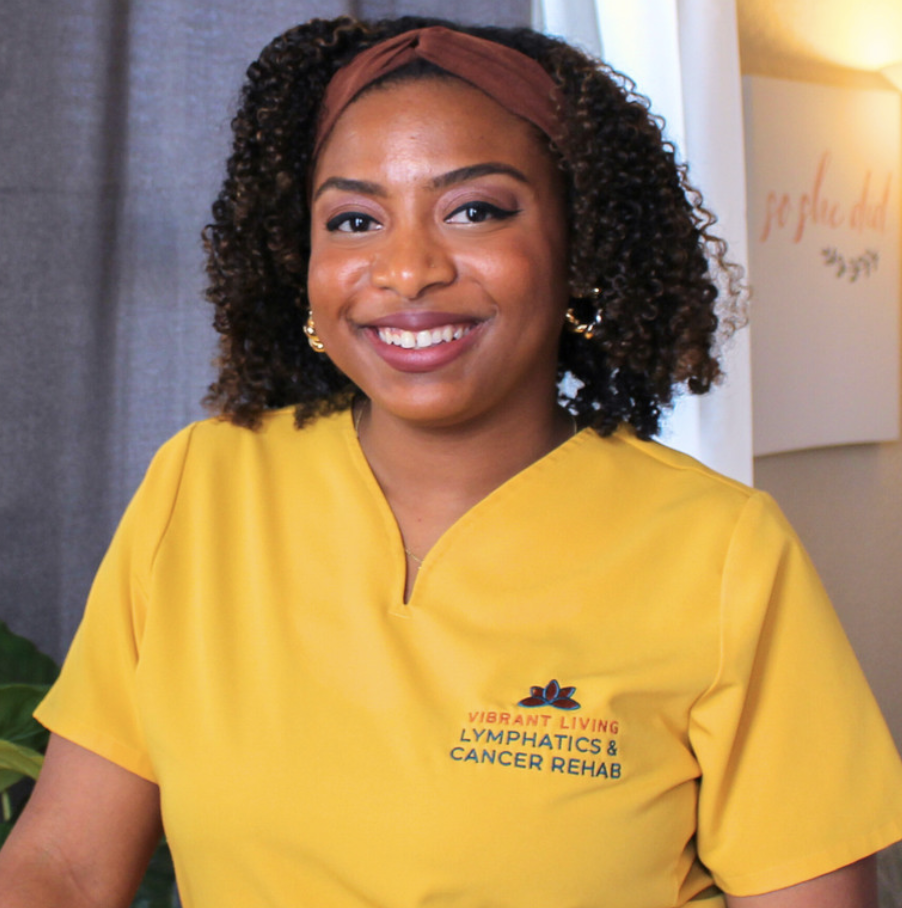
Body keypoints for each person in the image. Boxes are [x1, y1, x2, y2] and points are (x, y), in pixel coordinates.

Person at [1, 14, 901, 908]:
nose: (406, 270)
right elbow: (65, 870)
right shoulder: (203, 487)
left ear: (577, 248)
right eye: (354, 219)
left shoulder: (722, 551)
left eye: (475, 210)